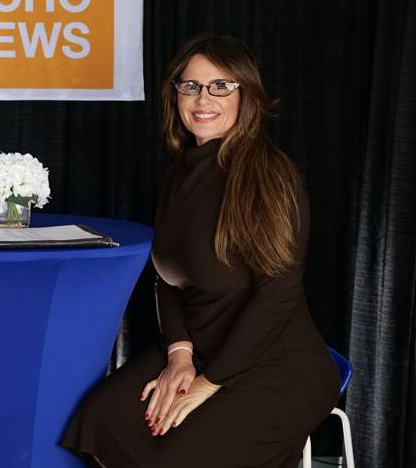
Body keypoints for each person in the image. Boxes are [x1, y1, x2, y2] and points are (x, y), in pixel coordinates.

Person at [60, 35, 339, 467]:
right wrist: (179, 356)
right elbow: (166, 278)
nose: (202, 98)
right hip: (199, 349)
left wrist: (210, 382)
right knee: (101, 419)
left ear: (246, 94)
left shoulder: (271, 176)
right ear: (175, 96)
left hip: (275, 362)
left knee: (173, 457)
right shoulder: (178, 175)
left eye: (220, 86)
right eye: (189, 86)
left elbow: (277, 295)